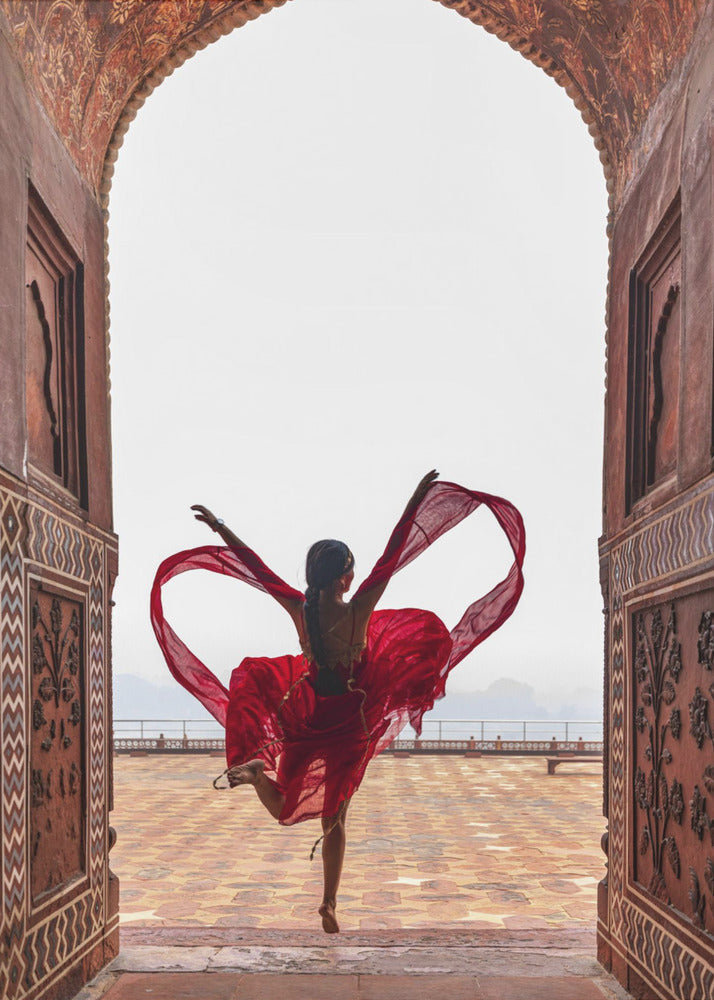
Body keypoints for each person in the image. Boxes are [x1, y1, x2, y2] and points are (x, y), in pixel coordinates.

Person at [151, 472, 525, 934]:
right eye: (352, 569)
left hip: (308, 717)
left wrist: (220, 526)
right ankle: (328, 901)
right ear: (345, 577)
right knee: (334, 819)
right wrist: (415, 500)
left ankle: (260, 780)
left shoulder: (300, 609)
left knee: (285, 807)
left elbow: (256, 569)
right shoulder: (357, 610)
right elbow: (392, 556)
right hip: (349, 724)